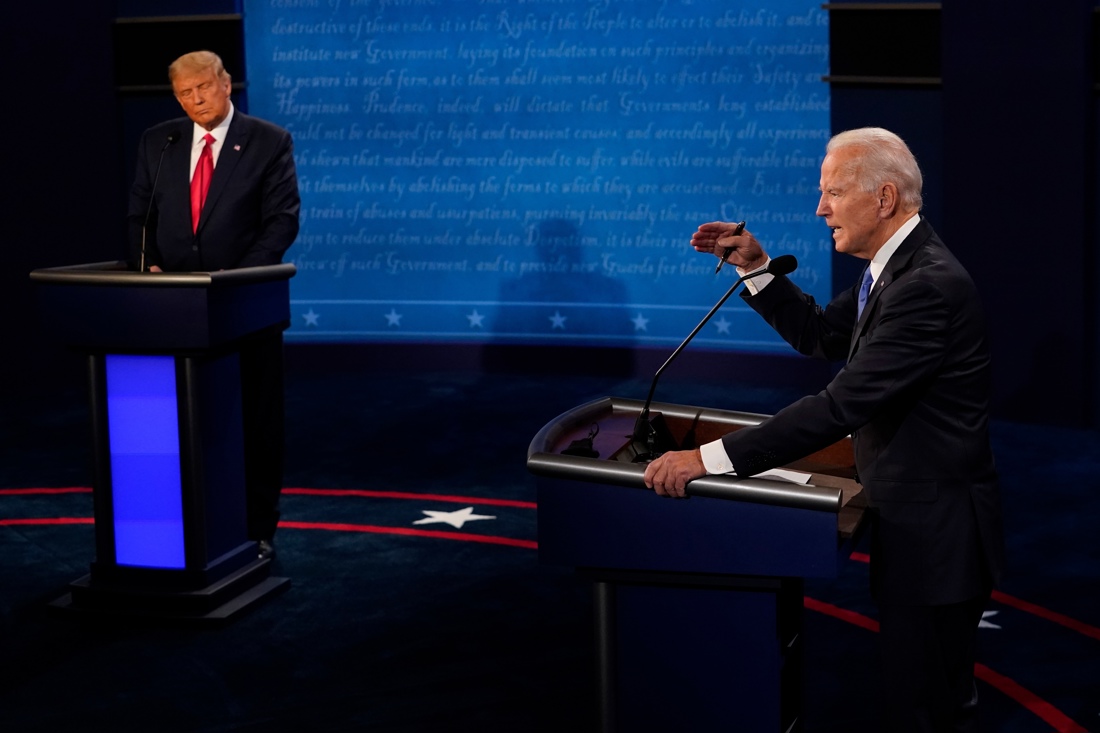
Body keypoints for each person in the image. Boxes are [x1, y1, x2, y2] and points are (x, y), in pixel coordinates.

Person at [643, 127, 1005, 733]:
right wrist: (756, 268)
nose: (820, 208)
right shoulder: (890, 272)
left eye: (833, 192)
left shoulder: (925, 288)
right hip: (915, 522)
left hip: (937, 537)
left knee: (928, 707)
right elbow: (821, 336)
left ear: (884, 198)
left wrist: (710, 460)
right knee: (914, 698)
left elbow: (841, 405)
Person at [127, 50, 301, 559]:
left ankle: (257, 529)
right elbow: (140, 214)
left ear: (226, 83)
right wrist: (146, 269)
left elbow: (281, 222)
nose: (196, 99)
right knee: (179, 422)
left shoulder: (269, 140)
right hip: (172, 310)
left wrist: (235, 280)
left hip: (245, 306)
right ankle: (185, 526)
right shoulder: (159, 141)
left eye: (204, 86)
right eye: (185, 93)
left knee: (255, 420)